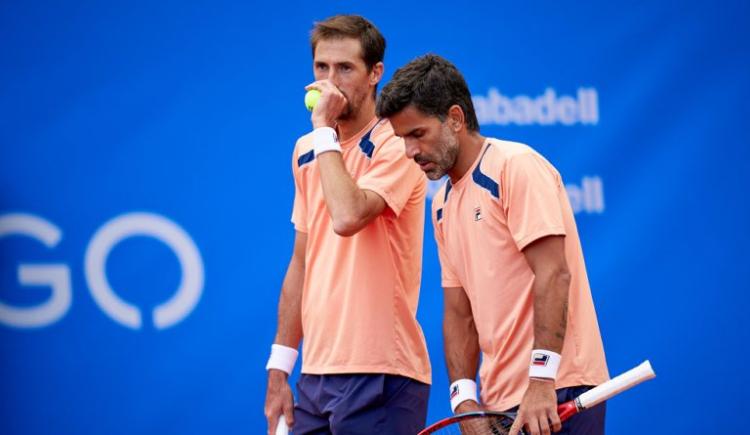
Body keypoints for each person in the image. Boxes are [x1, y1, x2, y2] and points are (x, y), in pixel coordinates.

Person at [377, 54, 609, 435]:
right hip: (500, 402)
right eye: (402, 139)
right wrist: (465, 400)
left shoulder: (515, 166)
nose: (409, 151)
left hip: (558, 389)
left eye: (417, 134)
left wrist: (540, 382)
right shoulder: (442, 205)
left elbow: (553, 273)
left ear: (455, 118)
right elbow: (459, 312)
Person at [263, 15, 431, 435]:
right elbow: (303, 261)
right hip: (316, 375)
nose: (330, 82)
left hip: (382, 373)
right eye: (322, 68)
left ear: (375, 74)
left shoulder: (398, 144)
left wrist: (324, 130)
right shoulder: (307, 150)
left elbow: (347, 216)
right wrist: (281, 366)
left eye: (345, 69)